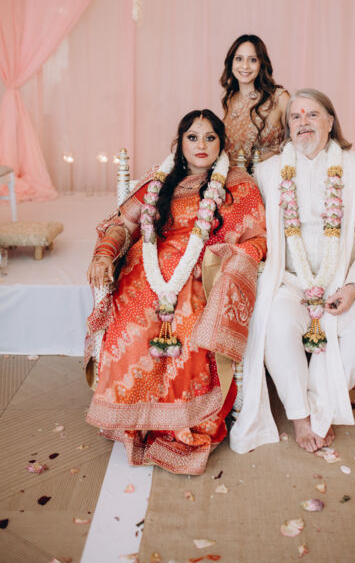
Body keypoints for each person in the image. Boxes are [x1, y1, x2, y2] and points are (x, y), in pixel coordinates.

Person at [85, 110, 266, 475]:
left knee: (188, 324)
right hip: (145, 272)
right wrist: (104, 253)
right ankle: (135, 419)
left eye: (210, 137)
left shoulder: (238, 185)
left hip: (201, 272)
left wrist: (225, 259)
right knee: (132, 320)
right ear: (180, 142)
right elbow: (123, 223)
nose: (201, 145)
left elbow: (257, 237)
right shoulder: (160, 180)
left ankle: (178, 422)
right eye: (193, 137)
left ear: (222, 143)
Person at [230, 89, 355, 455]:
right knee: (274, 324)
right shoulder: (268, 172)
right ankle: (301, 416)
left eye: (312, 114)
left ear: (330, 121)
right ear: (288, 127)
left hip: (345, 278)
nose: (303, 122)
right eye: (296, 117)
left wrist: (354, 286)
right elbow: (252, 228)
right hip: (289, 279)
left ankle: (321, 408)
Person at [220, 34, 289, 169]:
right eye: (239, 59)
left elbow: (296, 143)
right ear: (231, 63)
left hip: (270, 177)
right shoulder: (230, 98)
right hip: (232, 177)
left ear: (261, 64)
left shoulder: (279, 98)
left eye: (252, 60)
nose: (245, 66)